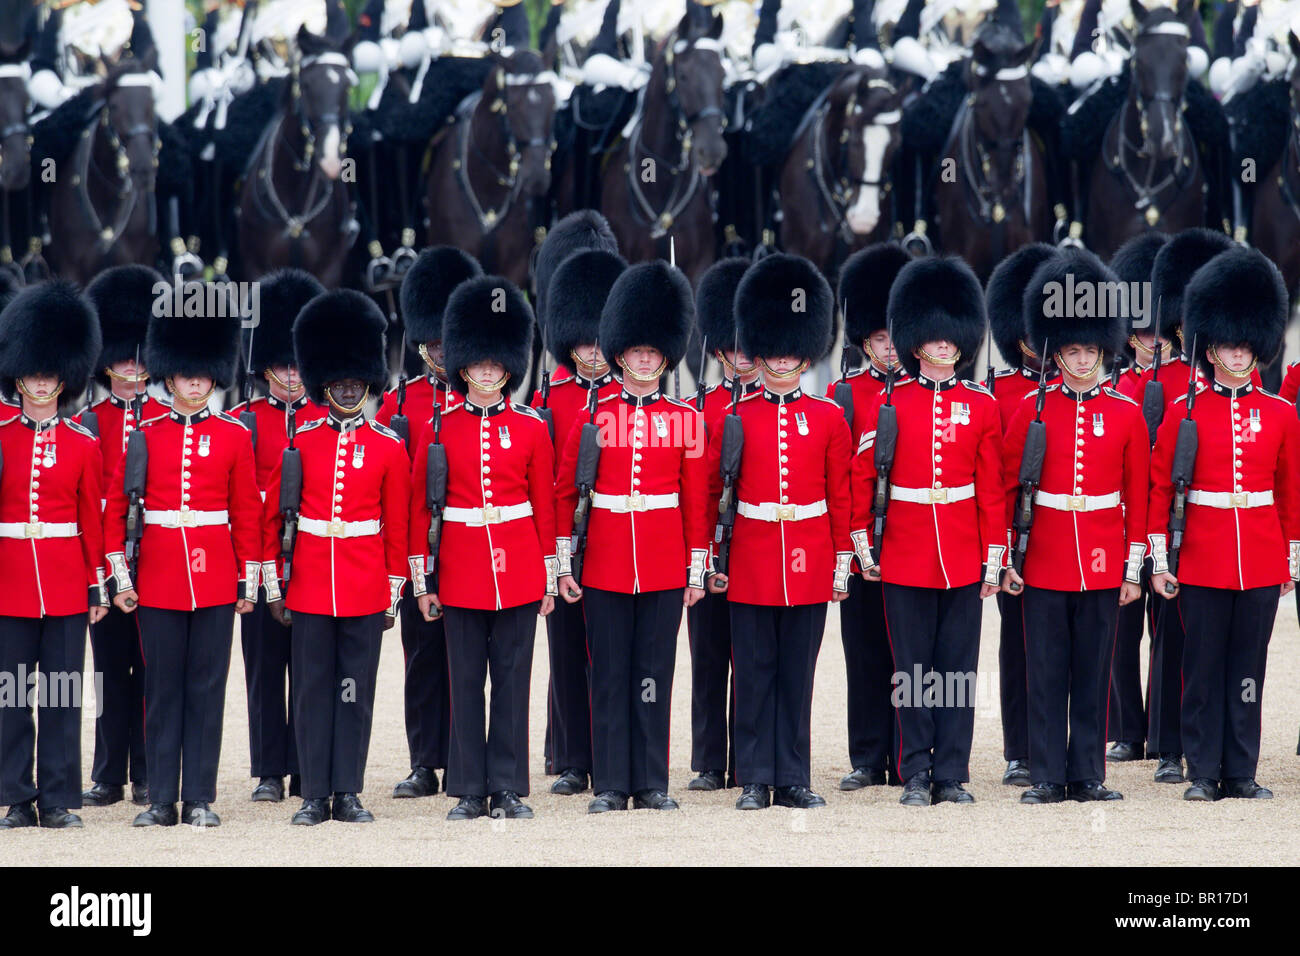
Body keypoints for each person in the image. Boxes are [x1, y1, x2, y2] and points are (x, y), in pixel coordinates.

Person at [103, 282, 261, 828]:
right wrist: (121, 578)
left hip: (215, 578)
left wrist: (248, 582)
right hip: (161, 578)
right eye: (186, 374)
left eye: (203, 375)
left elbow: (246, 514)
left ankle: (199, 797)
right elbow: (117, 514)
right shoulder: (143, 435)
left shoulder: (234, 436)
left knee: (206, 688)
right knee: (162, 688)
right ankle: (159, 799)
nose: (195, 383)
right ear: (168, 377)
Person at [556, 261, 708, 813]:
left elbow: (695, 499)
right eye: (636, 352)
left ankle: (651, 782)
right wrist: (564, 566)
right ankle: (612, 783)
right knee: (611, 673)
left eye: (653, 353)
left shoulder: (685, 418)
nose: (645, 360)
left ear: (665, 357)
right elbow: (565, 496)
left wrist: (695, 568)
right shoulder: (593, 418)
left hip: (665, 564)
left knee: (654, 675)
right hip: (606, 564)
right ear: (620, 355)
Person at [850, 256, 1003, 807]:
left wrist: (995, 556)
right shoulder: (890, 402)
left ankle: (952, 772)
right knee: (911, 669)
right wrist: (864, 547)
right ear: (916, 344)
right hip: (905, 553)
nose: (942, 347)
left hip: (961, 554)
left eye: (950, 338)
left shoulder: (980, 405)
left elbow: (990, 487)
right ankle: (914, 769)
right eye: (932, 339)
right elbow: (862, 478)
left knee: (957, 670)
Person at [1148, 246, 1299, 801]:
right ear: (1208, 348)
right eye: (1227, 346)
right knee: (1202, 669)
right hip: (1203, 557)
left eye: (1245, 346)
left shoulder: (1281, 415)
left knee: (1248, 674)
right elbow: (1161, 488)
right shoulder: (1184, 410)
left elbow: (1289, 495)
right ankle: (1202, 771)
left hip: (1259, 557)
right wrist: (1161, 560)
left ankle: (1241, 771)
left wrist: (1290, 561)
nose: (1237, 356)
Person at [706, 253, 851, 812]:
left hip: (810, 559)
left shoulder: (828, 417)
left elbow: (840, 496)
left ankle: (792, 775)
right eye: (775, 348)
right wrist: (711, 560)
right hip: (751, 555)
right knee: (755, 670)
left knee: (798, 674)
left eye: (794, 348)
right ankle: (752, 777)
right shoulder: (732, 417)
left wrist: (842, 560)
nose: (785, 358)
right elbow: (716, 497)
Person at [1002, 250, 1149, 804]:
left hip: (1104, 560)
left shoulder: (1125, 413)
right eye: (1071, 350)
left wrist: (1133, 567)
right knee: (1046, 672)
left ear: (1102, 349)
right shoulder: (1031, 412)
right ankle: (1046, 774)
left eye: (1089, 349)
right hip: (1044, 558)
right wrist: (1007, 557)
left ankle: (1088, 772)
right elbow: (1006, 487)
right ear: (1055, 352)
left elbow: (1137, 496)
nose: (1082, 359)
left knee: (1094, 672)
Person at [409, 276, 555, 821]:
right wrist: (423, 582)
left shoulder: (531, 428)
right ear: (464, 367)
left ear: (508, 366)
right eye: (480, 363)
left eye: (498, 363)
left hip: (516, 567)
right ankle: (470, 787)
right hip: (462, 567)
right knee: (465, 681)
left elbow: (545, 507)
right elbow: (421, 511)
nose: (489, 372)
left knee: (513, 681)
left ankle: (508, 786)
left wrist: (548, 573)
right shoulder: (437, 429)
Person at [263, 290, 410, 825]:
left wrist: (394, 589)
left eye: (357, 383)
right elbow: (274, 520)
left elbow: (399, 526)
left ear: (368, 384)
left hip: (365, 585)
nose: (349, 390)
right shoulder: (300, 442)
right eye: (340, 383)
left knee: (355, 692)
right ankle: (312, 793)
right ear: (325, 384)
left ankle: (347, 790)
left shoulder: (390, 447)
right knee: (310, 691)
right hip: (309, 585)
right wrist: (275, 584)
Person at [0, 282, 104, 829]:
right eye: (33, 373)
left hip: (65, 584)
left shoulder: (84, 443)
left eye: (49, 374)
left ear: (65, 378)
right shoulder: (0, 437)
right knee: (12, 698)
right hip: (10, 581)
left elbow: (92, 523)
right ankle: (17, 796)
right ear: (17, 375)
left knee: (63, 697)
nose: (41, 383)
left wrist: (97, 587)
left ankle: (59, 799)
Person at [379, 246, 481, 800]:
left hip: (466, 546)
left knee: (467, 659)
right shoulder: (402, 402)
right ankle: (425, 760)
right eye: (434, 343)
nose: (442, 352)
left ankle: (465, 756)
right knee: (421, 656)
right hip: (419, 550)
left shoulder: (479, 398)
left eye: (450, 341)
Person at [531, 211, 625, 796]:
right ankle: (571, 756)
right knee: (566, 650)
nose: (592, 352)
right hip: (566, 543)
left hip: (617, 539)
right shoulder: (550, 397)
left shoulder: (630, 395)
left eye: (600, 340)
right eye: (583, 342)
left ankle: (613, 753)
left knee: (614, 657)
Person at [228, 269, 327, 803]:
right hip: (260, 566)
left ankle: (309, 765)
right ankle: (269, 768)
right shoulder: (242, 421)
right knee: (264, 667)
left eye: (297, 364)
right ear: (263, 366)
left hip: (311, 562)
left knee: (311, 671)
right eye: (281, 365)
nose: (290, 375)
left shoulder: (325, 417)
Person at [1141, 227, 1234, 785]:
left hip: (1209, 529)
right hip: (1174, 524)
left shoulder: (1229, 381)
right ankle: (1166, 741)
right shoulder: (1163, 386)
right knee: (1169, 633)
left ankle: (1193, 742)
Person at [79, 265, 169, 810]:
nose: (132, 367)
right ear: (105, 363)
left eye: (139, 358)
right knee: (110, 671)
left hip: (156, 560)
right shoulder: (88, 423)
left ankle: (151, 772)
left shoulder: (164, 419)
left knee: (154, 670)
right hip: (107, 565)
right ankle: (109, 773)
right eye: (122, 358)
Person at [830, 243, 911, 791]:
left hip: (908, 546)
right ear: (864, 341)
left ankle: (908, 755)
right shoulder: (846, 394)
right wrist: (853, 546)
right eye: (878, 339)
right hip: (861, 550)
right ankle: (867, 755)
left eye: (893, 337)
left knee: (908, 656)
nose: (886, 349)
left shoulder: (921, 394)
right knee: (862, 654)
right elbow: (837, 477)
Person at [984, 243, 1061, 788]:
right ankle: (1020, 748)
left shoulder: (1076, 390)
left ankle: (1061, 747)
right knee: (1018, 645)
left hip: (1067, 536)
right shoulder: (997, 390)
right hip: (1017, 537)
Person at [686, 257, 756, 792]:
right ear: (717, 352)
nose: (741, 360)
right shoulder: (694, 410)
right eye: (731, 351)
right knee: (708, 656)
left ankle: (751, 760)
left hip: (754, 546)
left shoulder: (770, 407)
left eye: (748, 349)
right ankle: (711, 760)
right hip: (708, 546)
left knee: (752, 659)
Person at [1104, 230, 1168, 765]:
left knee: (1169, 634)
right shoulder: (1113, 388)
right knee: (1121, 633)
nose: (1149, 339)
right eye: (1139, 330)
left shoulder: (1192, 381)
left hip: (1172, 524)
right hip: (1122, 525)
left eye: (1156, 330)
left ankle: (1168, 735)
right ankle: (1128, 730)